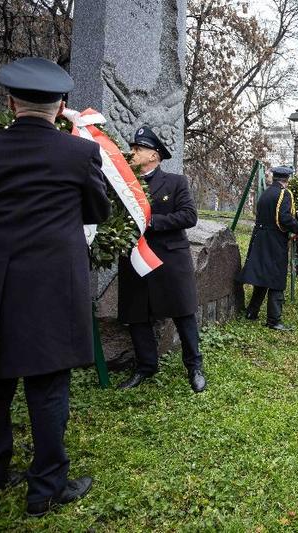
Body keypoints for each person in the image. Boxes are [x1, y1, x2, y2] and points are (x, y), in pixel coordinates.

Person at [0, 57, 110, 516]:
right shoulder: (79, 154)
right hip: (50, 285)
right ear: (61, 107)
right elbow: (97, 212)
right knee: (47, 388)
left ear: (9, 102)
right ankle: (45, 488)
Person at [117, 126, 206, 393]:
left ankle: (194, 366)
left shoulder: (175, 182)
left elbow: (189, 216)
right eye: (133, 148)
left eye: (138, 149)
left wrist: (152, 221)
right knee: (137, 314)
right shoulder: (124, 183)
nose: (133, 153)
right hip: (135, 258)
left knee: (183, 312)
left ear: (154, 155)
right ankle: (146, 366)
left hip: (169, 258)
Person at [239, 166, 298, 331]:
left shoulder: (266, 193)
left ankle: (251, 312)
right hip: (275, 240)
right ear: (286, 180)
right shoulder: (285, 193)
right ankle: (274, 320)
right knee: (276, 278)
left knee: (263, 276)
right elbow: (284, 218)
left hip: (260, 237)